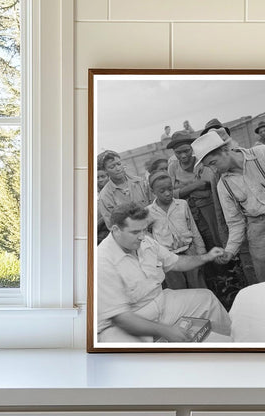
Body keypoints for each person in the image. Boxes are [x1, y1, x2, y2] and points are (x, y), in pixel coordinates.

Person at [97, 202, 231, 342]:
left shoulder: (145, 241)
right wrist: (165, 330)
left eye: (144, 229)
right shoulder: (102, 260)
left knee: (206, 299)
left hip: (160, 301)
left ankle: (235, 344)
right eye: (136, 232)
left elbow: (176, 262)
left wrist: (206, 257)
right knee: (122, 348)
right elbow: (121, 318)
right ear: (116, 230)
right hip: (128, 318)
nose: (142, 236)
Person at [192, 130, 265, 283]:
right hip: (259, 230)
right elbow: (235, 223)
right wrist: (229, 251)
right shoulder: (223, 186)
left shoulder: (263, 154)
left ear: (225, 150)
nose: (213, 170)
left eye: (213, 163)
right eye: (208, 167)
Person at [147, 170, 207, 289]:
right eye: (162, 191)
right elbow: (146, 235)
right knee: (178, 289)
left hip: (189, 252)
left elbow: (193, 228)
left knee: (198, 285)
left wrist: (201, 250)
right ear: (153, 192)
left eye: (170, 189)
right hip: (167, 258)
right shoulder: (148, 212)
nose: (168, 193)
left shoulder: (182, 204)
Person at [167, 130, 223, 250]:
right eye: (178, 152)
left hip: (209, 208)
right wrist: (195, 185)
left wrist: (182, 191)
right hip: (187, 212)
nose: (183, 155)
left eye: (186, 151)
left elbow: (208, 184)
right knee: (197, 243)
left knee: (216, 238)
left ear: (192, 148)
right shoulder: (173, 167)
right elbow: (172, 194)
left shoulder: (201, 162)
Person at [98, 150, 150, 230]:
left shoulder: (140, 182)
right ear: (105, 171)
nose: (118, 168)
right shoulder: (105, 196)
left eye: (119, 164)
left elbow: (154, 207)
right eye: (112, 167)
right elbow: (112, 226)